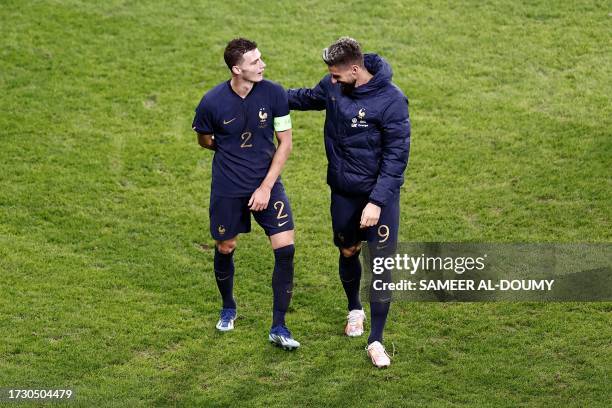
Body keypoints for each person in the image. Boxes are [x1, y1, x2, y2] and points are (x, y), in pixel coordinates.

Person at [287, 37, 410, 367]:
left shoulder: (392, 101)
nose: (332, 80)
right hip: (343, 192)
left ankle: (376, 340)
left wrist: (377, 202)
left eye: (337, 74)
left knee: (381, 267)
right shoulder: (333, 86)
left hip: (378, 200)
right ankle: (355, 308)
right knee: (347, 250)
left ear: (355, 68)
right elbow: (306, 98)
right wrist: (264, 95)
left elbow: (397, 158)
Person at [192, 38, 299, 350]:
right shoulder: (212, 101)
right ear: (237, 69)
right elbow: (204, 139)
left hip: (267, 183)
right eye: (255, 62)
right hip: (228, 187)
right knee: (226, 246)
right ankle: (228, 307)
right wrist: (229, 152)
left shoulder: (275, 93)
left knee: (285, 249)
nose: (262, 65)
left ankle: (279, 325)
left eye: (261, 59)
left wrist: (266, 187)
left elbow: (286, 143)